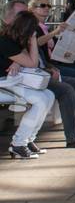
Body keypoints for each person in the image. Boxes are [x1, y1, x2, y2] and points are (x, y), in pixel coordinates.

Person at [0, 9, 56, 159]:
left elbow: (23, 55)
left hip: (9, 83)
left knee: (49, 95)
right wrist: (32, 41)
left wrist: (16, 62)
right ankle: (18, 144)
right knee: (40, 100)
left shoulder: (11, 38)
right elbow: (33, 63)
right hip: (3, 85)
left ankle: (29, 139)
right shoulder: (5, 41)